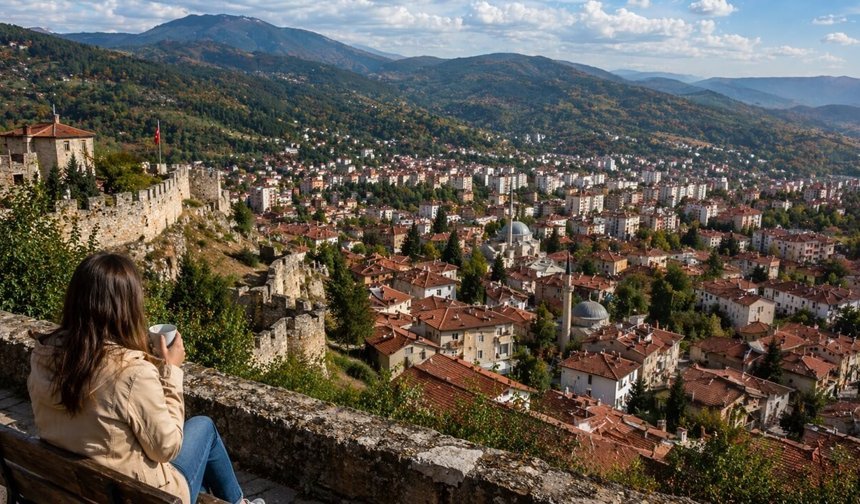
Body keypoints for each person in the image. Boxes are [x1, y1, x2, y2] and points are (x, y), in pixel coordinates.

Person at [27, 252, 263, 504]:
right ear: (127, 308)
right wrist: (171, 370)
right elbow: (168, 448)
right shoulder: (130, 373)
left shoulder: (44, 354)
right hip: (140, 497)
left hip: (69, 488)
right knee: (204, 428)